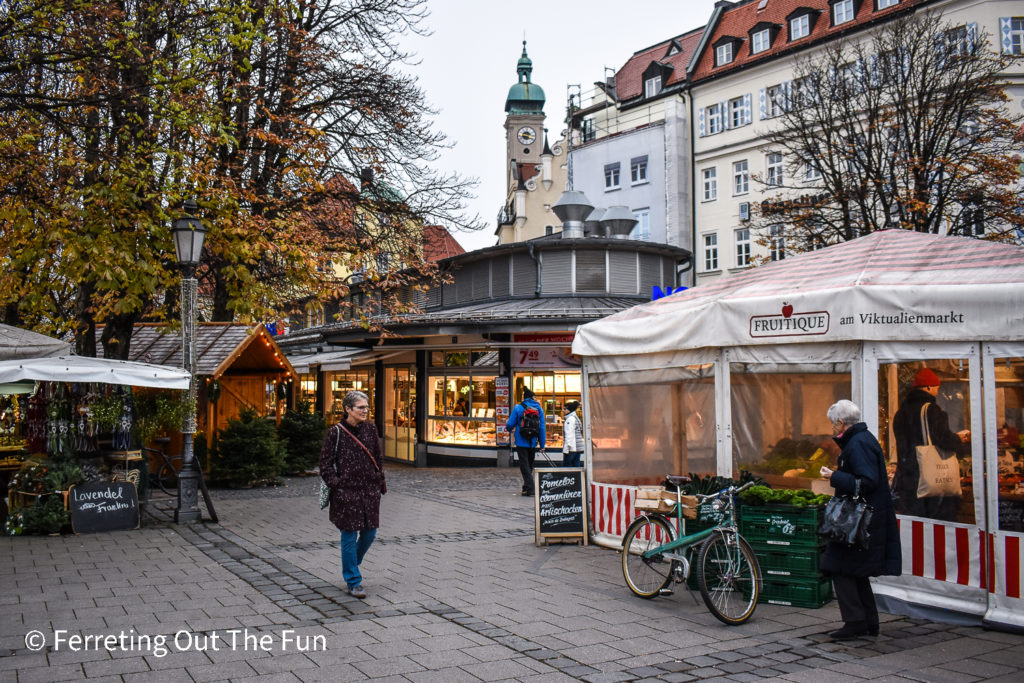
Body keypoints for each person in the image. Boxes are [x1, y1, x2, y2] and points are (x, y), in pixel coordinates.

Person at [820, 400, 901, 640]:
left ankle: (856, 621)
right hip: (864, 520)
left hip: (858, 522)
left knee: (838, 566)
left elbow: (867, 482)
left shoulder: (857, 444)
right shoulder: (862, 439)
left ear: (841, 422)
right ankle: (867, 621)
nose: (832, 429)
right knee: (855, 570)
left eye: (833, 424)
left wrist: (834, 476)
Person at [320, 390, 386, 599]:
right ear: (348, 409)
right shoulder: (335, 432)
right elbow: (325, 464)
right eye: (360, 407)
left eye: (367, 407)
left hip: (369, 491)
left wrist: (379, 480)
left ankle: (351, 563)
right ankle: (353, 581)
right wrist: (337, 485)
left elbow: (378, 456)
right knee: (348, 536)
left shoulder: (371, 429)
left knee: (370, 533)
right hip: (346, 492)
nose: (365, 411)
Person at [891, 367, 970, 521]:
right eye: (936, 388)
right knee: (936, 522)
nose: (937, 391)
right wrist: (959, 440)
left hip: (907, 477)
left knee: (914, 523)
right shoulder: (930, 410)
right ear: (927, 387)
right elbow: (943, 439)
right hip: (927, 477)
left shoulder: (901, 412)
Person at [506, 388, 546, 496]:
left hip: (521, 441)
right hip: (532, 441)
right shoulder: (539, 409)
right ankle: (526, 488)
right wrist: (542, 444)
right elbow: (542, 428)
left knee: (524, 466)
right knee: (529, 465)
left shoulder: (518, 408)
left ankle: (531, 488)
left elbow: (510, 424)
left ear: (524, 398)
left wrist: (510, 430)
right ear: (533, 398)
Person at [561, 401, 584, 467]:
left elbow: (569, 435)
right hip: (577, 447)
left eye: (565, 409)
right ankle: (577, 477)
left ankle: (567, 477)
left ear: (569, 410)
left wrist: (566, 449)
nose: (563, 410)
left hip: (572, 448)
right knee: (576, 465)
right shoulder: (576, 418)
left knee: (566, 466)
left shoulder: (570, 419)